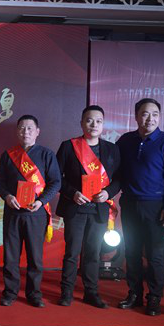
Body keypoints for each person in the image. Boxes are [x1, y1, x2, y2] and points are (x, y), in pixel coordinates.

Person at [116, 98, 164, 316]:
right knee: (131, 251)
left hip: (156, 206)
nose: (150, 118)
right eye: (145, 114)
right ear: (136, 116)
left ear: (159, 117)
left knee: (155, 254)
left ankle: (154, 297)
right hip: (130, 203)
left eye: (155, 114)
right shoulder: (125, 141)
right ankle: (134, 293)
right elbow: (117, 172)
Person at [55, 105, 120, 308]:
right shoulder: (68, 146)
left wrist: (108, 193)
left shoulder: (112, 149)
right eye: (89, 120)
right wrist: (72, 193)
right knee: (72, 252)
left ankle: (91, 292)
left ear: (103, 124)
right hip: (75, 208)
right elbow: (56, 177)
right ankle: (66, 292)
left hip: (99, 209)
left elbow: (120, 178)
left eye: (98, 121)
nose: (94, 125)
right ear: (82, 123)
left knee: (93, 253)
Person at [0, 114, 61, 308]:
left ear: (37, 132)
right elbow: (0, 182)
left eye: (30, 128)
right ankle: (10, 292)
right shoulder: (8, 155)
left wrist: (41, 202)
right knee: (10, 256)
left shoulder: (47, 155)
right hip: (13, 212)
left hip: (36, 213)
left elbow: (55, 182)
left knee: (35, 257)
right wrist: (7, 197)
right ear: (17, 131)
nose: (26, 132)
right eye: (22, 128)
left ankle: (34, 294)